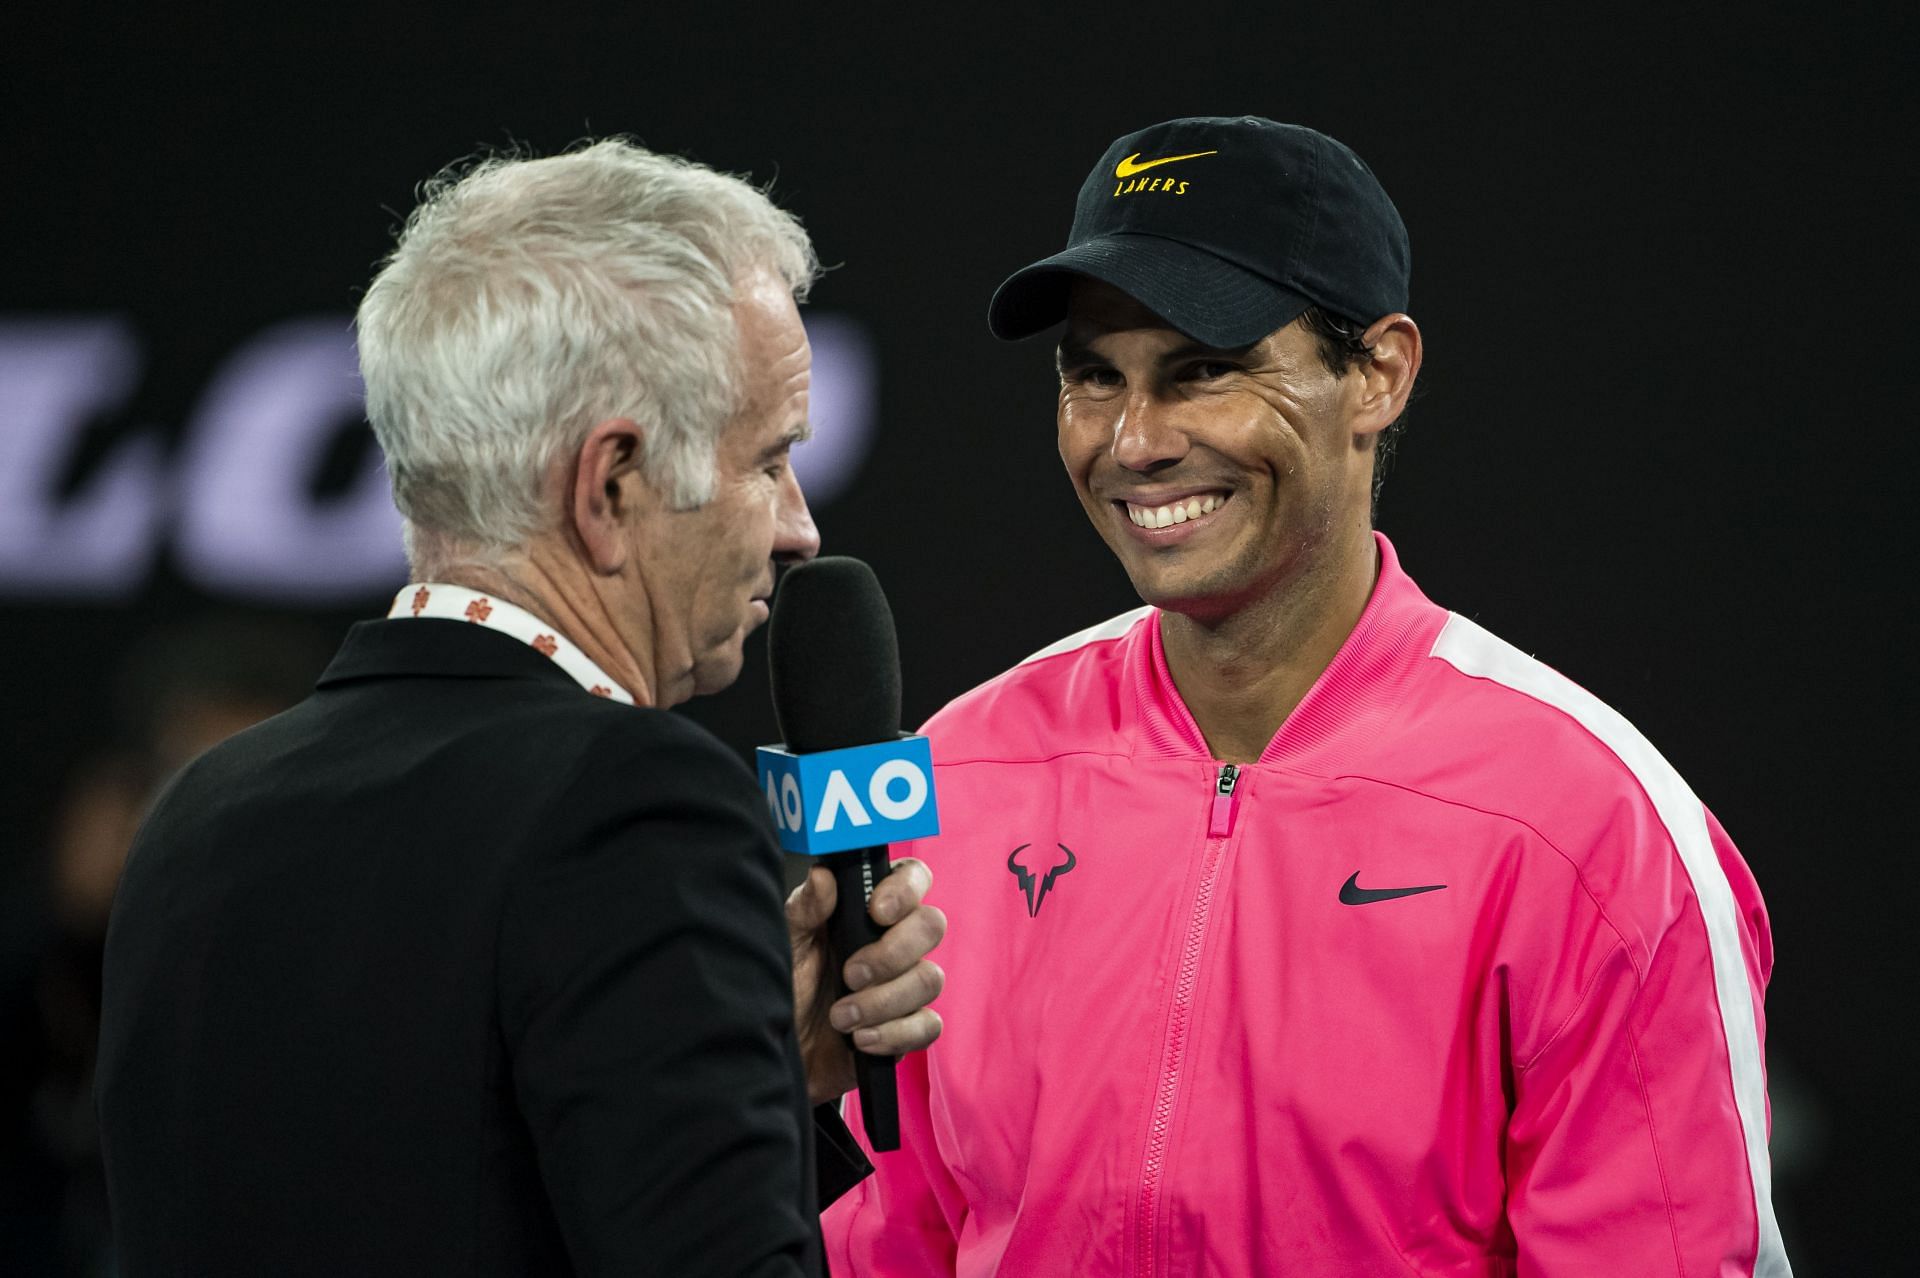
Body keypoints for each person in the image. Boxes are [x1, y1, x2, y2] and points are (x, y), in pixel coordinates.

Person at [824, 116, 1789, 1276]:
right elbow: (889, 1241)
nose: (1135, 442)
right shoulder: (962, 774)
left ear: (1378, 373)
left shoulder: (1590, 827)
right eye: (1094, 377)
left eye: (1206, 370)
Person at [96, 139, 946, 1277]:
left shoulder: (203, 809)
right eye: (770, 458)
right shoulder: (635, 799)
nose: (799, 527)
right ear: (610, 485)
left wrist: (751, 1079)